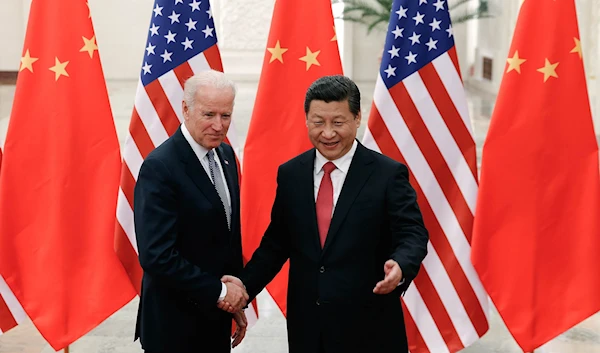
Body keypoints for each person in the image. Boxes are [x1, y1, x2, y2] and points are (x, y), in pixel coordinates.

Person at [222, 75, 429, 353]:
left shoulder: (387, 174)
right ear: (307, 120)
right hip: (309, 328)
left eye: (338, 122)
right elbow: (277, 244)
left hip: (370, 329)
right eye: (318, 122)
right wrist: (242, 289)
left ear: (357, 118)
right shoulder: (291, 173)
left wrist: (401, 264)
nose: (328, 133)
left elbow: (412, 233)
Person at [134, 70, 249, 353]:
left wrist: (234, 297)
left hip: (215, 320)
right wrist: (221, 292)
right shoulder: (160, 167)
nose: (218, 126)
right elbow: (157, 256)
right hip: (173, 327)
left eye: (226, 115)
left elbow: (227, 235)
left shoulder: (225, 156)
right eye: (209, 114)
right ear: (185, 109)